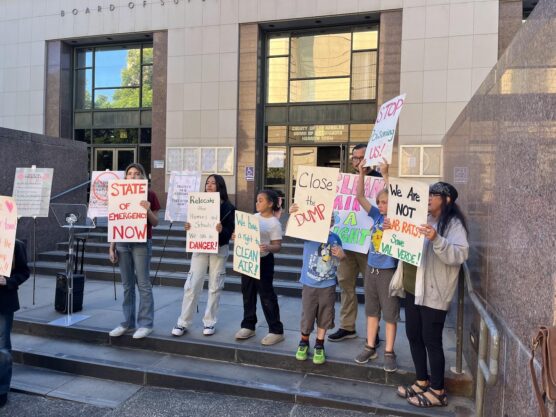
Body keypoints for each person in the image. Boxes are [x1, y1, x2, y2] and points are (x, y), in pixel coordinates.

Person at [392, 182, 469, 408]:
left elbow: (460, 255)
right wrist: (392, 228)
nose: (428, 198)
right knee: (414, 335)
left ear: (447, 200)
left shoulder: (453, 225)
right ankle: (421, 380)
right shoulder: (421, 217)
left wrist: (437, 238)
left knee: (431, 340)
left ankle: (438, 391)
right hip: (412, 288)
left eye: (434, 195)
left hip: (433, 293)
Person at [328, 144, 381, 343]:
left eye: (362, 158)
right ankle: (347, 326)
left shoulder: (380, 180)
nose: (358, 162)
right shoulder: (343, 182)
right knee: (345, 285)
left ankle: (372, 331)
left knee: (372, 291)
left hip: (369, 245)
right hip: (346, 243)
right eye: (355, 158)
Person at [172, 175, 235, 336]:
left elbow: (230, 232)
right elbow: (195, 225)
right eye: (207, 183)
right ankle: (183, 322)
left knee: (215, 285)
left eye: (213, 183)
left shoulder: (229, 207)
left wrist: (223, 231)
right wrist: (189, 227)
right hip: (200, 247)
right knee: (192, 285)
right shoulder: (198, 203)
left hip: (219, 249)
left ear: (220, 186)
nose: (209, 185)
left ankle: (209, 322)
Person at [353, 159, 399, 372]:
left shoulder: (398, 219)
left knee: (390, 312)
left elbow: (397, 198)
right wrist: (361, 174)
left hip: (388, 270)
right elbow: (360, 197)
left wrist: (386, 174)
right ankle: (370, 345)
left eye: (385, 202)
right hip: (371, 268)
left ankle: (389, 351)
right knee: (372, 311)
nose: (381, 206)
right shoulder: (376, 215)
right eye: (379, 202)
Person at [109, 163, 161, 339]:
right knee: (127, 285)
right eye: (129, 173)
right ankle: (127, 322)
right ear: (125, 177)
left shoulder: (150, 194)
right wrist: (112, 247)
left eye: (137, 173)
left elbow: (156, 222)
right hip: (123, 241)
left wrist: (146, 210)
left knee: (143, 284)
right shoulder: (118, 194)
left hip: (141, 242)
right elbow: (116, 221)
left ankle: (146, 324)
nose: (133, 176)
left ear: (143, 176)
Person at [290, 203, 345, 365]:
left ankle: (320, 343)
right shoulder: (309, 235)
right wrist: (293, 214)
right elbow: (293, 229)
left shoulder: (335, 238)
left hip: (328, 284)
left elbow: (341, 258)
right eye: (326, 217)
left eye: (331, 218)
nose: (329, 220)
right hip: (309, 283)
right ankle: (304, 341)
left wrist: (342, 255)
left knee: (325, 315)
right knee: (308, 314)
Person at [234, 190, 285, 346]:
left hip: (264, 261)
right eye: (257, 200)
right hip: (248, 259)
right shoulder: (252, 218)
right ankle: (248, 325)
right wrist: (236, 236)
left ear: (270, 203)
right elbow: (241, 234)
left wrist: (268, 247)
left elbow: (278, 246)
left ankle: (276, 330)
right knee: (247, 293)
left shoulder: (274, 223)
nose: (257, 203)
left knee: (266, 295)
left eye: (261, 200)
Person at [0, 239, 30, 407]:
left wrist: (8, 281)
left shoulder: (14, 244)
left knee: (3, 349)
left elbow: (24, 272)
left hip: (3, 303)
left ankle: (2, 390)